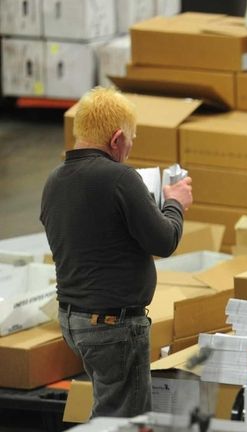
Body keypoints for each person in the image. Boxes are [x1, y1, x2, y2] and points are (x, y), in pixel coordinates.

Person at [40, 87, 193, 417]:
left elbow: (93, 235)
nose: (129, 148)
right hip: (112, 327)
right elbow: (164, 241)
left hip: (73, 318)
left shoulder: (55, 180)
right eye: (131, 140)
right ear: (117, 138)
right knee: (122, 421)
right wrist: (175, 203)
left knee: (107, 411)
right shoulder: (120, 178)